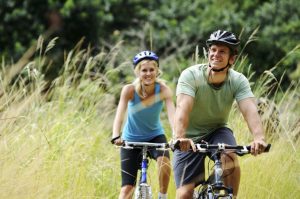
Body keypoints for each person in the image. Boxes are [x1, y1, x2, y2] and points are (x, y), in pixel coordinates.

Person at [172, 30, 268, 198]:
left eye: (222, 51)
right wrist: (180, 136)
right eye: (213, 50)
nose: (216, 54)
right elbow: (182, 108)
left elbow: (249, 110)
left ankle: (230, 196)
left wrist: (259, 138)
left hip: (217, 131)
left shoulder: (238, 80)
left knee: (230, 157)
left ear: (232, 59)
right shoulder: (191, 75)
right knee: (184, 194)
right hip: (188, 137)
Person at [111, 50, 175, 199]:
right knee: (127, 190)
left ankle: (162, 196)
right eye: (143, 70)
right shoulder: (129, 90)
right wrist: (116, 135)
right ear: (137, 72)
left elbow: (173, 115)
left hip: (155, 136)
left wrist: (176, 135)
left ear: (157, 71)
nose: (148, 73)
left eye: (151, 69)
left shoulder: (164, 90)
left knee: (164, 162)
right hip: (130, 139)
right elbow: (119, 115)